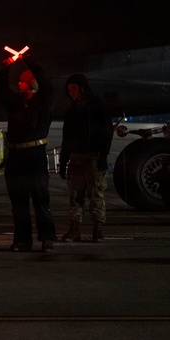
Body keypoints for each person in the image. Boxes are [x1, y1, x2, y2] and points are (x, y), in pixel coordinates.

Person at [0, 53, 56, 252]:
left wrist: (31, 62)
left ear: (31, 85)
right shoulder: (16, 102)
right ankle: (22, 240)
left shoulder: (43, 104)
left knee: (40, 200)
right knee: (18, 202)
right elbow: (1, 90)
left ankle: (47, 239)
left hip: (35, 155)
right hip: (16, 157)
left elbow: (46, 84)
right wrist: (5, 69)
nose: (19, 85)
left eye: (22, 82)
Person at [58, 73, 114, 241]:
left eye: (73, 89)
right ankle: (74, 229)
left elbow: (106, 131)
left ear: (83, 88)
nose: (71, 92)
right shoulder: (71, 111)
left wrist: (103, 154)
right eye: (69, 90)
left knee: (96, 194)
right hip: (76, 158)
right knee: (75, 195)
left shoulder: (98, 106)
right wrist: (63, 161)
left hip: (94, 158)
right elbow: (66, 137)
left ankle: (98, 229)